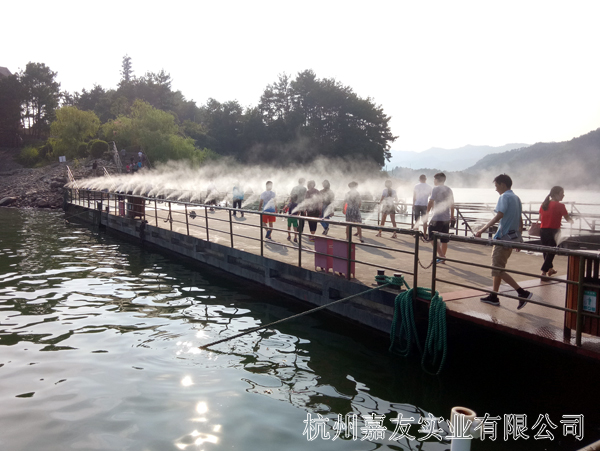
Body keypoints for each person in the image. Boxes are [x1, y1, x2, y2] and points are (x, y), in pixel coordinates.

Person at [474, 174, 532, 309]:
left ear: (503, 185)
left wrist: (481, 230)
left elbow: (499, 216)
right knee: (498, 268)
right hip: (512, 238)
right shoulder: (516, 198)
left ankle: (522, 292)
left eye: (496, 186)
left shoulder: (504, 197)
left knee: (497, 269)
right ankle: (494, 296)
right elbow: (519, 220)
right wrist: (519, 239)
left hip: (502, 238)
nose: (496, 189)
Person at [539, 186, 573, 277]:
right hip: (554, 231)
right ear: (556, 194)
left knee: (546, 251)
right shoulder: (560, 206)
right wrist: (573, 221)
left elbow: (540, 218)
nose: (563, 195)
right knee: (552, 251)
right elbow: (567, 218)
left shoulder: (544, 204)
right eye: (562, 194)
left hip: (543, 231)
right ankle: (543, 271)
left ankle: (550, 269)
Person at [427, 173, 455, 263]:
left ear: (437, 180)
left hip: (437, 218)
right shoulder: (449, 189)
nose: (433, 181)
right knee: (444, 240)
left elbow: (431, 202)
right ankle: (442, 259)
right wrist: (452, 216)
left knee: (431, 237)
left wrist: (426, 214)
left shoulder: (435, 189)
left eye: (434, 179)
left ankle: (441, 256)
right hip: (446, 218)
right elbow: (452, 204)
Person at [413, 174, 432, 239]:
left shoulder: (416, 186)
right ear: (425, 179)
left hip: (417, 204)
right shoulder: (429, 187)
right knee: (425, 221)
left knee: (417, 220)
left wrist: (413, 204)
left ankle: (416, 233)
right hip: (425, 205)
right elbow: (431, 197)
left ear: (419, 179)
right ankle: (424, 234)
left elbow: (414, 196)